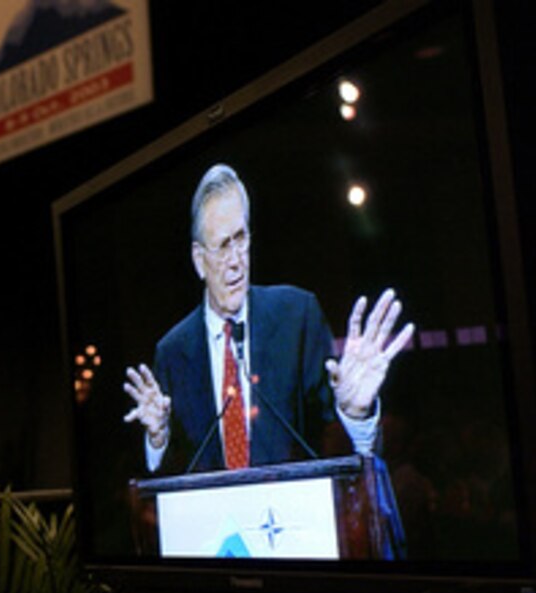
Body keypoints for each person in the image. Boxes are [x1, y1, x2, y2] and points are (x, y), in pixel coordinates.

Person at [123, 163, 414, 476]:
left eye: (241, 238)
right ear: (199, 261)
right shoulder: (172, 352)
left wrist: (355, 414)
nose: (236, 261)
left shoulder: (297, 316)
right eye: (223, 246)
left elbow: (338, 449)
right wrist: (158, 439)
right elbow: (167, 484)